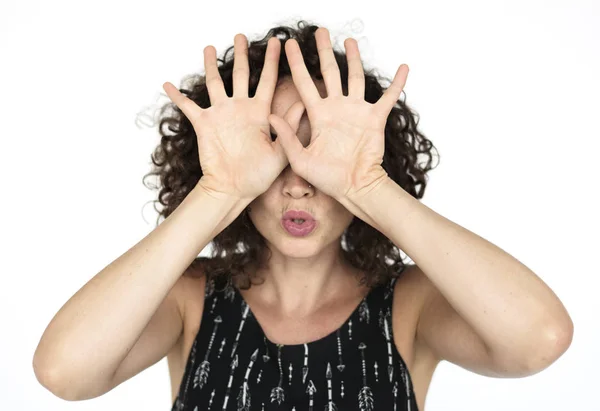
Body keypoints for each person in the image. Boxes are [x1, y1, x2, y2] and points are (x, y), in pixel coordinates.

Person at [32, 20, 573, 411]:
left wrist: (366, 183)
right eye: (272, 148)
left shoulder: (411, 306)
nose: (297, 182)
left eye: (319, 151)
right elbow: (64, 374)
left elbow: (539, 339)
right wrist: (220, 190)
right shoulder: (190, 299)